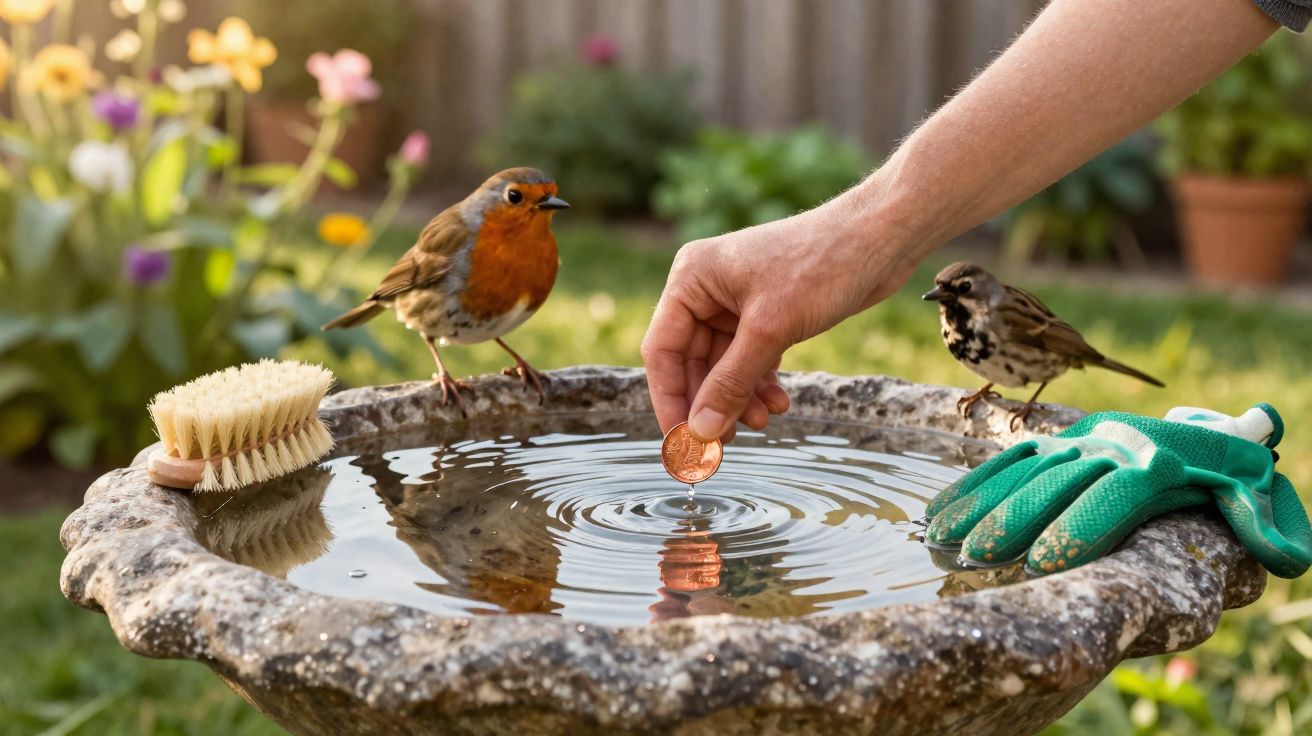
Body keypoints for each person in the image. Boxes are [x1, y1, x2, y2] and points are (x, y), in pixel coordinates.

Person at [640, 0, 1309, 442]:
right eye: (944, 293)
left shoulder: (1007, 318)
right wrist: (868, 232)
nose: (943, 300)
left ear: (977, 297)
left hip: (1042, 366)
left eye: (954, 293)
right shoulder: (958, 323)